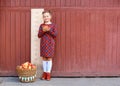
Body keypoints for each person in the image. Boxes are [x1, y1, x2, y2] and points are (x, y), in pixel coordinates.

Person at [38, 10, 57, 81]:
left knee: (49, 58)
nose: (46, 17)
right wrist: (43, 31)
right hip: (43, 43)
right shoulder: (41, 25)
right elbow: (39, 35)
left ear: (50, 17)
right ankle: (44, 73)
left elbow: (55, 35)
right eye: (44, 16)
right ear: (43, 18)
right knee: (44, 58)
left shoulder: (53, 25)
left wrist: (48, 30)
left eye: (47, 16)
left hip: (50, 43)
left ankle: (48, 73)